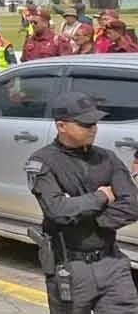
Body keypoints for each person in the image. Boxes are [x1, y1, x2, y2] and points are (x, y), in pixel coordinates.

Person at [25, 91, 138, 313]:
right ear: (62, 126)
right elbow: (57, 210)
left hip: (112, 262)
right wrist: (102, 197)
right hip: (71, 266)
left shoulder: (107, 158)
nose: (93, 129)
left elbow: (133, 203)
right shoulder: (43, 162)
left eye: (94, 123)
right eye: (85, 124)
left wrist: (95, 220)